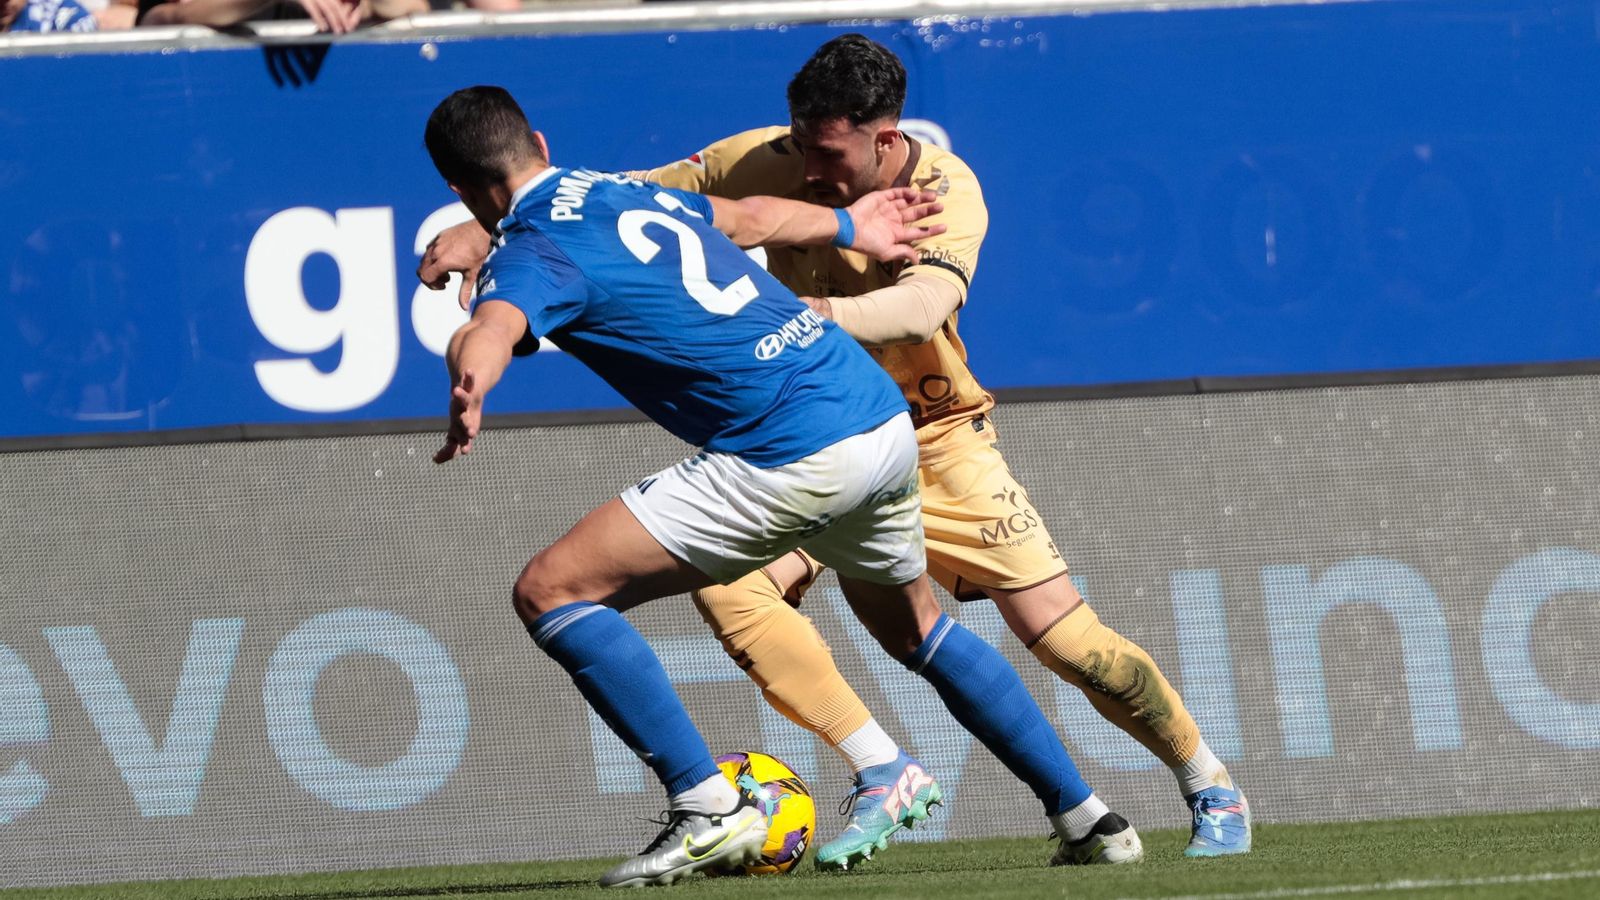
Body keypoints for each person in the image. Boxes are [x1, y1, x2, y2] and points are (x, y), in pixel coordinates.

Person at [419, 38, 1182, 870]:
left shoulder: (528, 255)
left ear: (460, 190)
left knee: (551, 591)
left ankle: (707, 803)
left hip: (786, 449)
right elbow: (750, 219)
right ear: (542, 147)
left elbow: (490, 327)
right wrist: (854, 223)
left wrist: (471, 381)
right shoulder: (610, 193)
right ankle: (1089, 820)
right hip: (875, 418)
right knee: (918, 629)